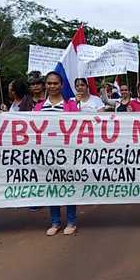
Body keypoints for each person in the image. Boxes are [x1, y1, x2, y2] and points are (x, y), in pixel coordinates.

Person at [33, 71, 80, 236]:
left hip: (67, 153)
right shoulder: (38, 107)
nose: (52, 86)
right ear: (46, 85)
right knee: (51, 187)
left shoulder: (71, 106)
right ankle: (55, 221)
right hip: (47, 153)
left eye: (55, 83)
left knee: (68, 186)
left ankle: (72, 221)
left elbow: (79, 128)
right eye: (49, 83)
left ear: (61, 85)